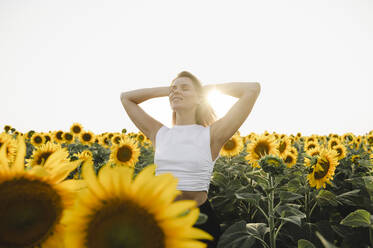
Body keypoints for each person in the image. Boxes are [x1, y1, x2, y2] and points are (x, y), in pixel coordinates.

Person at [120, 71, 261, 247]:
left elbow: (252, 89)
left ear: (200, 98)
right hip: (161, 217)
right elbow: (126, 98)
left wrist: (203, 89)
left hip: (199, 221)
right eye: (174, 89)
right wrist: (170, 90)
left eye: (185, 88)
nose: (176, 92)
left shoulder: (212, 135)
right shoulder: (159, 133)